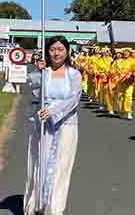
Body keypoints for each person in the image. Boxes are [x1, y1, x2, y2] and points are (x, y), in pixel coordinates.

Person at [24, 36, 82, 215]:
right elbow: (35, 91)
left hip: (66, 125)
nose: (56, 53)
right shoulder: (44, 72)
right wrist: (39, 72)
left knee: (60, 166)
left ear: (67, 51)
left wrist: (54, 111)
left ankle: (54, 208)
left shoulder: (74, 74)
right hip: (43, 125)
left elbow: (74, 99)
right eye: (52, 49)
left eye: (61, 49)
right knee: (39, 163)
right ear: (47, 52)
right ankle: (36, 204)